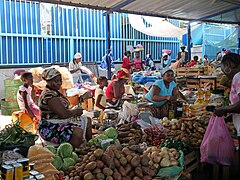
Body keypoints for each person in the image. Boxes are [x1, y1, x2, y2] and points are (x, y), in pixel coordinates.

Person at [38, 68, 92, 148]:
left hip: (59, 121)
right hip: (50, 126)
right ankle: (75, 151)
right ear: (48, 81)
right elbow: (63, 114)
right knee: (77, 132)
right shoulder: (49, 95)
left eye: (60, 80)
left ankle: (89, 147)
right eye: (56, 81)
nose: (59, 83)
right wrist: (75, 111)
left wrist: (80, 100)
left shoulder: (54, 91)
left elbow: (64, 108)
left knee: (87, 120)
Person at [214, 53, 240, 138]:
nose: (224, 74)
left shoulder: (238, 77)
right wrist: (228, 118)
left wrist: (223, 109)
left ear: (227, 65)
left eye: (223, 70)